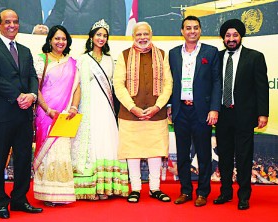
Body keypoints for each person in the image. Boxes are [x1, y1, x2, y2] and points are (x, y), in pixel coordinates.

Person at [0, 9, 42, 219]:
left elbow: (33, 76)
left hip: (24, 115)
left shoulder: (25, 50)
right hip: (0, 114)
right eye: (7, 22)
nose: (12, 25)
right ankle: (1, 202)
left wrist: (32, 95)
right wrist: (19, 96)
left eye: (15, 22)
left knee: (24, 159)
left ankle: (19, 200)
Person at [113, 21, 173, 203]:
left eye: (145, 34)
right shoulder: (124, 56)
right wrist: (133, 108)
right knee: (133, 151)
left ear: (151, 35)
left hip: (157, 113)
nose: (142, 38)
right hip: (130, 114)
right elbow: (118, 85)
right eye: (138, 35)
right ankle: (136, 188)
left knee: (155, 151)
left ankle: (155, 188)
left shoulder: (162, 55)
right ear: (133, 37)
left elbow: (168, 84)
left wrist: (157, 106)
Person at [213, 19, 269, 210]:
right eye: (227, 35)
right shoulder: (216, 57)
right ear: (223, 38)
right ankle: (225, 192)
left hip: (244, 115)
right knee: (225, 156)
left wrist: (263, 113)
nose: (231, 39)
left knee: (244, 156)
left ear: (241, 36)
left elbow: (262, 88)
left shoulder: (255, 57)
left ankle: (244, 195)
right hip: (222, 115)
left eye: (235, 35)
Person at [71, 19, 129, 200]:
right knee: (91, 142)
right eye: (98, 35)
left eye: (104, 36)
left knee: (107, 140)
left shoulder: (110, 60)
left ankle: (106, 186)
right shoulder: (82, 59)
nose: (101, 38)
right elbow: (78, 86)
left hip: (106, 107)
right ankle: (91, 186)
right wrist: (74, 106)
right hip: (88, 107)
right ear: (91, 37)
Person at [168, 15, 221, 207]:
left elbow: (217, 82)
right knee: (182, 154)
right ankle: (185, 191)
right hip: (180, 110)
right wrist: (169, 106)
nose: (192, 31)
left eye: (195, 28)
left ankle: (203, 192)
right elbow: (170, 82)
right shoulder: (173, 53)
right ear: (182, 31)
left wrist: (214, 108)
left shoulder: (211, 52)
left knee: (203, 154)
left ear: (200, 30)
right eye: (188, 28)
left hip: (202, 111)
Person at [33, 25, 80, 206]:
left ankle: (61, 193)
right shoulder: (41, 60)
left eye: (64, 39)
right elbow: (35, 89)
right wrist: (47, 109)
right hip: (46, 115)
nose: (61, 42)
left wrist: (74, 108)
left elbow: (77, 88)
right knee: (48, 153)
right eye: (57, 38)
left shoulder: (72, 63)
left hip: (65, 116)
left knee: (62, 153)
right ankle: (46, 194)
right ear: (50, 40)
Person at [44, 0, 126, 35]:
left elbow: (118, 19)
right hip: (71, 42)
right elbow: (58, 12)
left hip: (98, 44)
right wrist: (46, 28)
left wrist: (115, 42)